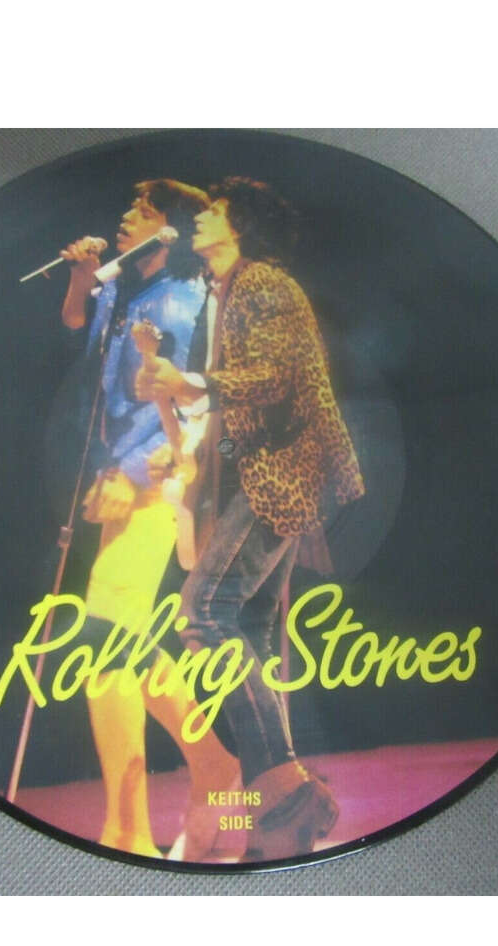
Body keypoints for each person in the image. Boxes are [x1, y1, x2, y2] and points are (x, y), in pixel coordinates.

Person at [136, 177, 366, 861]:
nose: (199, 218)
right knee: (255, 634)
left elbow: (273, 377)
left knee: (204, 612)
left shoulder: (265, 285)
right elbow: (226, 395)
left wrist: (188, 383)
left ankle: (288, 789)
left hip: (282, 473)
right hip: (254, 471)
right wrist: (175, 399)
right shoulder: (225, 288)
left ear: (240, 227)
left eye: (213, 211)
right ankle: (279, 817)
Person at [58, 180, 239, 859]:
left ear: (172, 232)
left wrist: (133, 473)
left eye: (145, 211)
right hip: (120, 472)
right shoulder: (124, 290)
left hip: (164, 473)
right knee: (121, 636)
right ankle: (213, 764)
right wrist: (82, 278)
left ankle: (128, 829)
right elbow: (77, 324)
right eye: (129, 206)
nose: (126, 216)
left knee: (103, 635)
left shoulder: (184, 301)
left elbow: (192, 403)